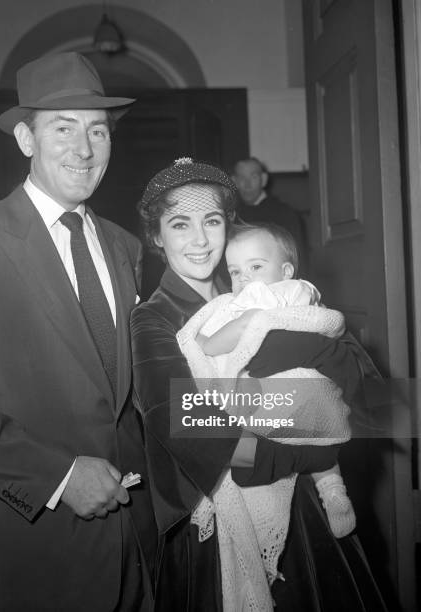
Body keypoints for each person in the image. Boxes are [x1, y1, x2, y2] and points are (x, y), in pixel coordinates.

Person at [0, 52, 156, 611]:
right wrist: (58, 478)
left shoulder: (127, 248)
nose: (84, 149)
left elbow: (138, 392)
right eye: (63, 128)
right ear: (26, 139)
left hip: (139, 537)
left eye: (97, 130)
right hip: (33, 538)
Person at [131, 157, 387, 611]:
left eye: (212, 221)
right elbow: (184, 420)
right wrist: (300, 452)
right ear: (156, 236)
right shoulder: (154, 317)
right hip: (224, 508)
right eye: (179, 224)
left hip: (309, 504)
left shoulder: (277, 289)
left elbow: (377, 399)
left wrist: (317, 355)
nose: (199, 239)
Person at [189, 222, 356, 540]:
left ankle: (312, 480)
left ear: (287, 270)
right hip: (311, 400)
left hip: (288, 392)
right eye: (235, 271)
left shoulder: (264, 297)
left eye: (255, 266)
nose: (245, 279)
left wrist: (206, 344)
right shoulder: (303, 291)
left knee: (243, 453)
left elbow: (246, 327)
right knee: (323, 449)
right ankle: (333, 490)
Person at [231, 157, 307, 270]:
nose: (247, 184)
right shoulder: (231, 216)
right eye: (242, 178)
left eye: (253, 177)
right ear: (234, 181)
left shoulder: (284, 214)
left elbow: (297, 259)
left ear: (264, 179)